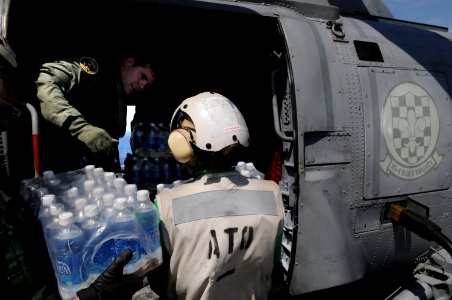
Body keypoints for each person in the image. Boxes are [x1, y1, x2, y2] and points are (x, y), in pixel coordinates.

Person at [145, 91, 285, 299]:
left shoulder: (165, 205)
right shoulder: (272, 194)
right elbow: (276, 266)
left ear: (183, 145)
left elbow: (157, 279)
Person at [35, 49, 156, 173]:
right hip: (63, 167)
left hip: (93, 175)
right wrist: (80, 128)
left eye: (146, 85)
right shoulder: (97, 68)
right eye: (142, 76)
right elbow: (47, 80)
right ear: (128, 62)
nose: (142, 85)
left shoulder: (120, 94)